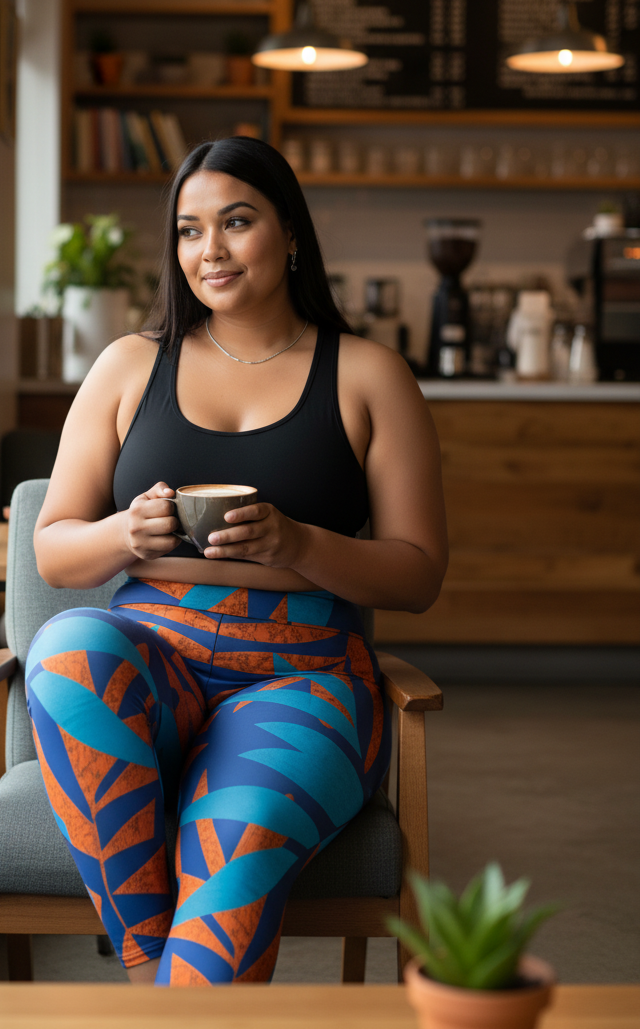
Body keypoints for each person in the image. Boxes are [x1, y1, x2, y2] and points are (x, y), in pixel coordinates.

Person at [27, 136, 448, 986]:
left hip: (305, 676)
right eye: (189, 230)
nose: (209, 250)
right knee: (69, 652)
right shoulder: (128, 366)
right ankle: (159, 972)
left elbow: (418, 575)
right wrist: (123, 535)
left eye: (237, 222)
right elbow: (54, 551)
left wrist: (299, 544)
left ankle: (174, 993)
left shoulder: (368, 373)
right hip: (156, 655)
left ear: (290, 234)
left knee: (241, 841)